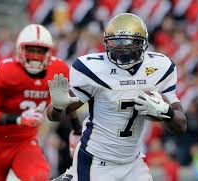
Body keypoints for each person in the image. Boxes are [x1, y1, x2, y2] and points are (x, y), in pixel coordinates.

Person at [47, 13, 187, 181]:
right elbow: (56, 115)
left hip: (133, 162)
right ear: (106, 42)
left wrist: (167, 111)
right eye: (117, 42)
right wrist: (57, 107)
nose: (123, 49)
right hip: (97, 162)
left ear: (143, 43)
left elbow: (181, 125)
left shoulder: (160, 67)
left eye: (129, 42)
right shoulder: (93, 69)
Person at [0, 24, 81, 181]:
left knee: (38, 177)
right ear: (20, 49)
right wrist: (18, 118)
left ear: (49, 52)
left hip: (25, 141)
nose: (35, 56)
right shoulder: (4, 71)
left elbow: (68, 100)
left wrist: (77, 128)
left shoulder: (58, 69)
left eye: (40, 51)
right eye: (31, 50)